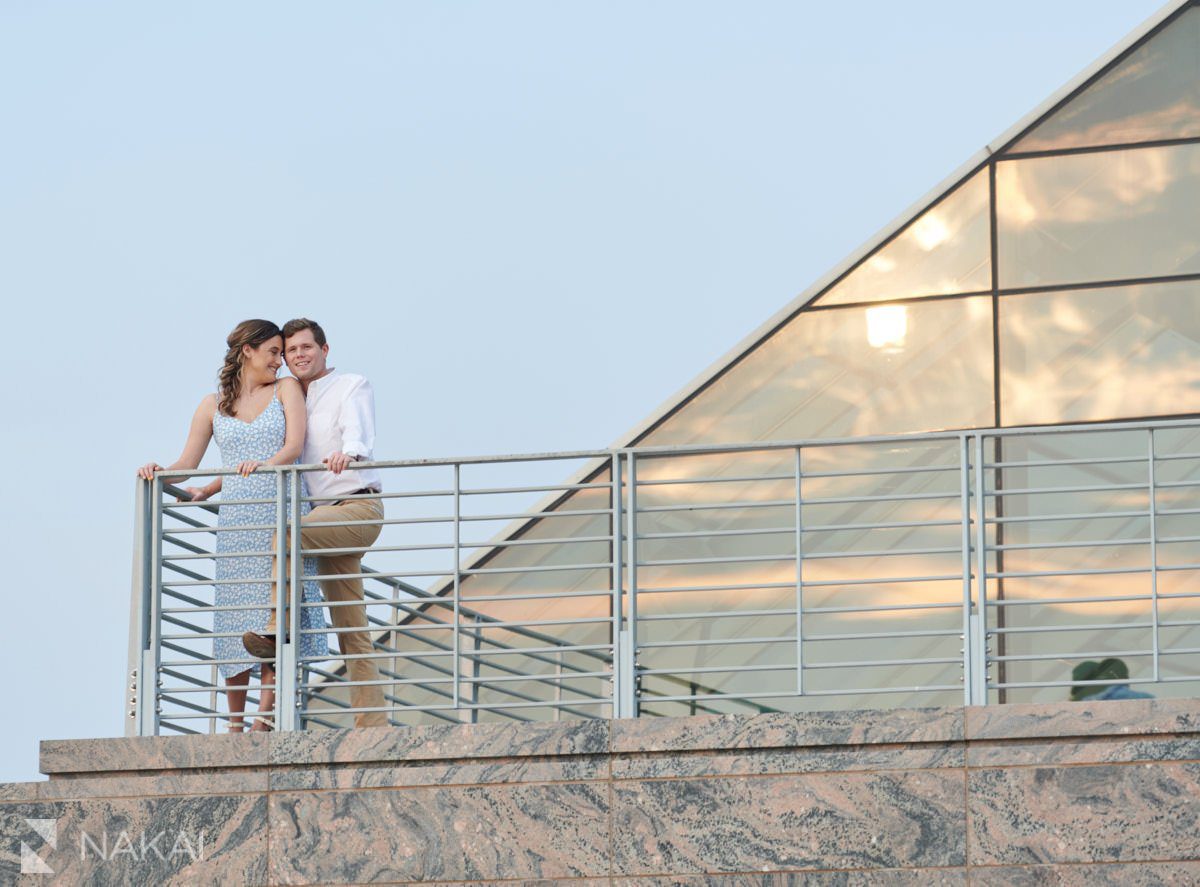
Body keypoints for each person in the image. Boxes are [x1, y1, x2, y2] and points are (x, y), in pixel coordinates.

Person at [138, 319, 328, 732]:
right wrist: (160, 472)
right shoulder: (213, 404)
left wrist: (261, 467)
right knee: (233, 621)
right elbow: (186, 464)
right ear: (248, 351)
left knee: (273, 618)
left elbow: (293, 447)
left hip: (279, 512)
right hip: (237, 523)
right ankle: (235, 724)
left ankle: (264, 719)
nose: (281, 361)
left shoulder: (286, 390)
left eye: (282, 353)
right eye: (273, 352)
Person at [242, 318, 388, 728]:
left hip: (358, 507)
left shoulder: (350, 385)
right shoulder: (291, 399)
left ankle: (275, 630)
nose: (299, 355)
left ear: (325, 350)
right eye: (291, 351)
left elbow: (358, 431)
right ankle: (372, 726)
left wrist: (350, 453)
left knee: (288, 534)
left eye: (307, 347)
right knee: (351, 628)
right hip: (323, 517)